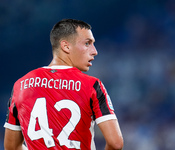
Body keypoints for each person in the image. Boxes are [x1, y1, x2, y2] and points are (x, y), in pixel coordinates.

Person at [4, 19, 123, 150]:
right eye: (87, 43)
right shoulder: (92, 85)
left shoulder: (20, 85)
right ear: (66, 46)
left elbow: (12, 147)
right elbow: (115, 144)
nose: (95, 51)